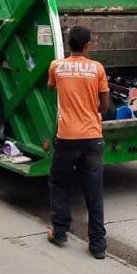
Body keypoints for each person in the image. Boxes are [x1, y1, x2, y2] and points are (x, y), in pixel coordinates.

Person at [46, 25, 110, 259]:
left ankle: (59, 232)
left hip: (67, 138)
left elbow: (51, 87)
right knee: (94, 193)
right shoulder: (97, 68)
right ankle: (98, 246)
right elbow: (105, 106)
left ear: (69, 44)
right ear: (87, 45)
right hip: (92, 138)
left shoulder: (56, 66)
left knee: (60, 184)